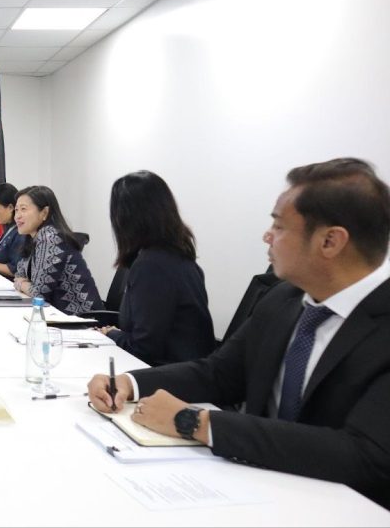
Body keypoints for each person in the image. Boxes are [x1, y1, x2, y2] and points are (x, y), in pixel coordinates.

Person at [87, 158, 390, 509]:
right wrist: (129, 382)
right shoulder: (284, 299)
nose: (267, 236)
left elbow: (364, 454)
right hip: (254, 487)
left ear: (330, 241)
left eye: (279, 226)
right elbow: (219, 374)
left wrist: (193, 422)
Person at [96, 171, 216, 366]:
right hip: (187, 371)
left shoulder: (151, 266)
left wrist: (111, 334)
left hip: (170, 375)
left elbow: (143, 349)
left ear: (125, 219)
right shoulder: (178, 257)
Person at [13, 185, 101, 314]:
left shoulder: (50, 237)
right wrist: (24, 283)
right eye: (16, 210)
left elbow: (39, 294)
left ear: (44, 213)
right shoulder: (33, 237)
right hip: (56, 314)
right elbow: (19, 275)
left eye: (23, 209)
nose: (17, 216)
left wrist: (22, 285)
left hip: (82, 318)